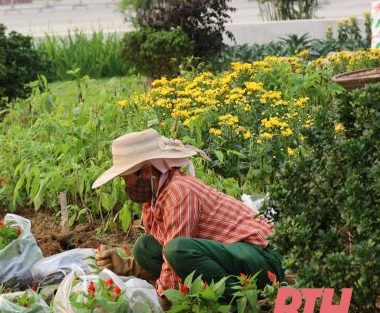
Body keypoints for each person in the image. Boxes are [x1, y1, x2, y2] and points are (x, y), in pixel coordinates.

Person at [92, 128, 284, 298]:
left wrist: (162, 300)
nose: (127, 187)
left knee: (177, 249)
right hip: (232, 255)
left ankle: (239, 298)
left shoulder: (179, 192)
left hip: (262, 259)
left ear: (146, 171)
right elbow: (167, 249)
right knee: (145, 247)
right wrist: (127, 267)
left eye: (127, 179)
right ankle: (204, 292)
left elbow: (175, 251)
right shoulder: (155, 197)